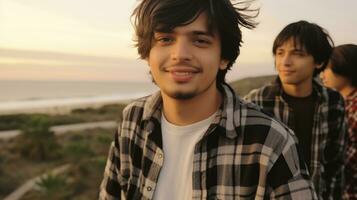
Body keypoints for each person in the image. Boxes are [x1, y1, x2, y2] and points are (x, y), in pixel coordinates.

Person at [99, 1, 317, 199]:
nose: (180, 54)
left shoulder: (271, 140)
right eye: (165, 39)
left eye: (200, 40)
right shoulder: (132, 121)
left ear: (224, 57)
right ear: (147, 53)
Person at [244, 21, 347, 199]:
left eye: (297, 54)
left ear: (319, 61)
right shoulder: (255, 102)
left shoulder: (333, 102)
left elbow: (336, 164)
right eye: (280, 53)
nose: (285, 62)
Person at [320, 44, 357, 200]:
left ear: (343, 66)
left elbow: (345, 162)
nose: (322, 75)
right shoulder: (343, 103)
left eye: (326, 68)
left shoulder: (353, 108)